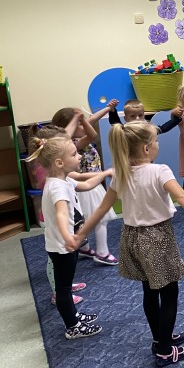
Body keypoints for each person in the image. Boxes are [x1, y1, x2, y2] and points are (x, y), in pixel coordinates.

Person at [74, 121, 184, 367]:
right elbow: (181, 195)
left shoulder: (121, 173)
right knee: (169, 293)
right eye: (156, 141)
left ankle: (160, 337)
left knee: (150, 290)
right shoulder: (160, 170)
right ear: (146, 148)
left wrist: (81, 234)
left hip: (131, 238)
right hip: (157, 238)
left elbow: (102, 209)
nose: (157, 145)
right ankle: (165, 351)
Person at [26, 135, 110, 339]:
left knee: (66, 284)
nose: (79, 155)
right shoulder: (58, 188)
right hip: (63, 246)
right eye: (74, 154)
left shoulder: (63, 180)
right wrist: (68, 237)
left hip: (66, 244)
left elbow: (86, 185)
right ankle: (72, 327)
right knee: (63, 289)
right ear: (59, 163)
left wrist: (106, 173)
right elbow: (62, 214)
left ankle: (73, 316)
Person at [52, 105, 119, 265]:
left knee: (85, 220)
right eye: (80, 124)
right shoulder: (72, 144)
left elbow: (92, 122)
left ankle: (84, 248)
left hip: (89, 184)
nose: (85, 125)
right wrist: (80, 119)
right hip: (87, 185)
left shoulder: (70, 142)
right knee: (99, 219)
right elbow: (92, 134)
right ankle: (102, 252)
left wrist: (106, 109)